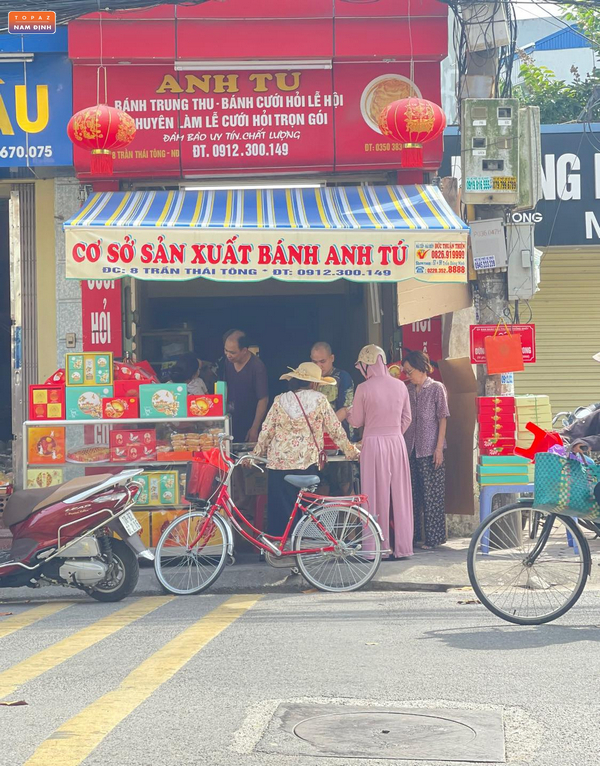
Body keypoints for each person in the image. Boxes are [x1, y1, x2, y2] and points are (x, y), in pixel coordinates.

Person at [253, 362, 360, 537]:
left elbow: (266, 431)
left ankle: (279, 547)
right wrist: (351, 452)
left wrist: (255, 455)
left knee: (280, 510)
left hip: (278, 464)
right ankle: (302, 545)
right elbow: (336, 430)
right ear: (314, 383)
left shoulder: (280, 400)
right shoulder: (320, 400)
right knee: (305, 508)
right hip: (306, 462)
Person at [346, 344, 413, 559]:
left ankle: (377, 548)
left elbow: (356, 421)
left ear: (366, 365)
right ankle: (403, 548)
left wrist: (347, 412)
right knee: (401, 495)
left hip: (373, 443)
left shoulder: (363, 388)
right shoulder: (401, 386)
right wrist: (394, 433)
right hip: (396, 442)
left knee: (374, 496)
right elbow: (407, 418)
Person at [402, 350, 450, 550]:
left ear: (422, 369)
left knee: (432, 495)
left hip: (430, 448)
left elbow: (443, 418)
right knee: (412, 495)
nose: (407, 375)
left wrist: (438, 448)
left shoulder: (436, 388)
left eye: (409, 371)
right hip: (410, 447)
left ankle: (434, 538)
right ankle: (412, 537)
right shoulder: (406, 389)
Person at [310, 341, 355, 495]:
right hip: (317, 442)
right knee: (321, 485)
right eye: (314, 362)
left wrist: (326, 428)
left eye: (322, 361)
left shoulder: (343, 377)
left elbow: (347, 408)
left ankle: (352, 518)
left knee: (345, 483)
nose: (319, 366)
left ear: (332, 358)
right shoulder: (309, 379)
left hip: (340, 437)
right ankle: (322, 519)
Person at [222, 329, 269, 444]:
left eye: (232, 352)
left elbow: (263, 399)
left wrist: (254, 428)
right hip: (231, 419)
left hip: (249, 420)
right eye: (226, 350)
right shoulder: (228, 362)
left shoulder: (257, 367)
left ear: (244, 350)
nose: (228, 355)